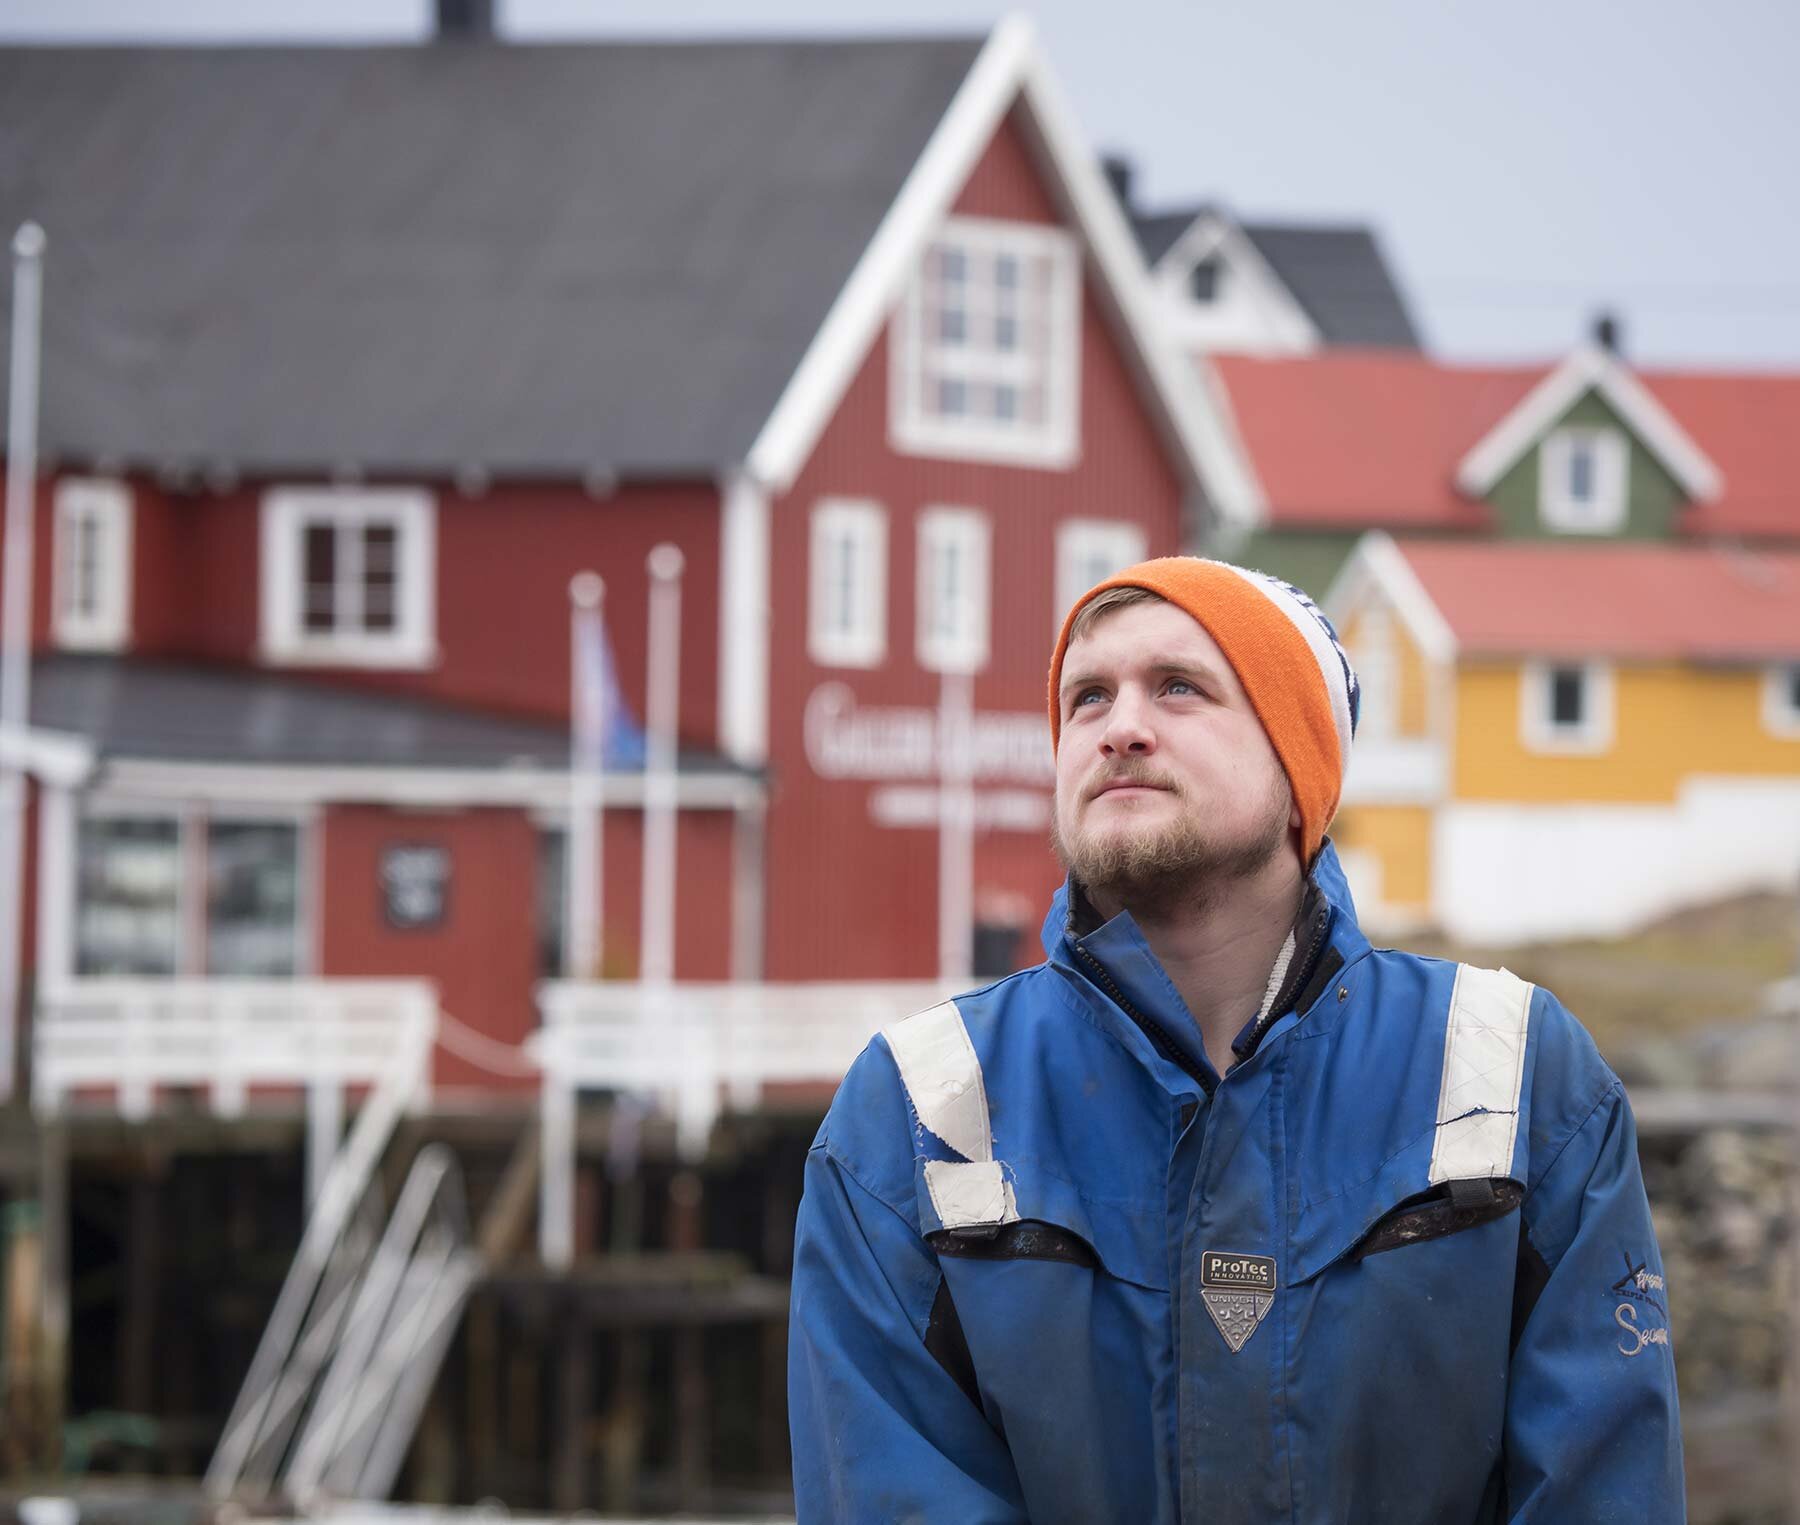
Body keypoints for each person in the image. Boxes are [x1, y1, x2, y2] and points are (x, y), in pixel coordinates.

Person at [787, 556, 1684, 1523]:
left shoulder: (1518, 1077)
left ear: (1301, 768)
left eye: (1179, 687)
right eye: (1087, 696)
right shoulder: (912, 1114)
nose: (1121, 726)